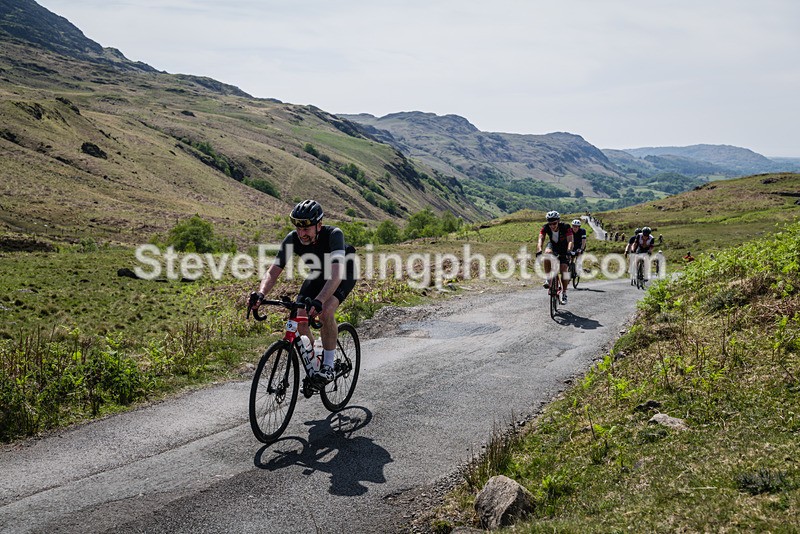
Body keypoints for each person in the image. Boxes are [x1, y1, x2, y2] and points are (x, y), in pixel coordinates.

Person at [250, 200, 357, 385]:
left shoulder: (334, 235)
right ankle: (316, 361)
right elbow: (273, 271)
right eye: (298, 228)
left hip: (342, 274)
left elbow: (336, 274)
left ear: (319, 225)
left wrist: (320, 300)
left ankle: (329, 366)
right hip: (318, 274)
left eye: (306, 229)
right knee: (300, 318)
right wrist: (260, 294)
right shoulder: (292, 239)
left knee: (325, 311)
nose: (301, 233)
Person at [536, 211, 574, 305]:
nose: (552, 226)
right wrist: (539, 249)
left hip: (564, 248)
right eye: (550, 224)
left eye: (554, 223)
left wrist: (569, 251)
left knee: (564, 269)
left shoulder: (566, 227)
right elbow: (541, 238)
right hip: (553, 245)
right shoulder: (545, 227)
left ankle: (564, 293)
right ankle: (548, 278)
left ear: (558, 221)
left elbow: (570, 240)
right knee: (547, 253)